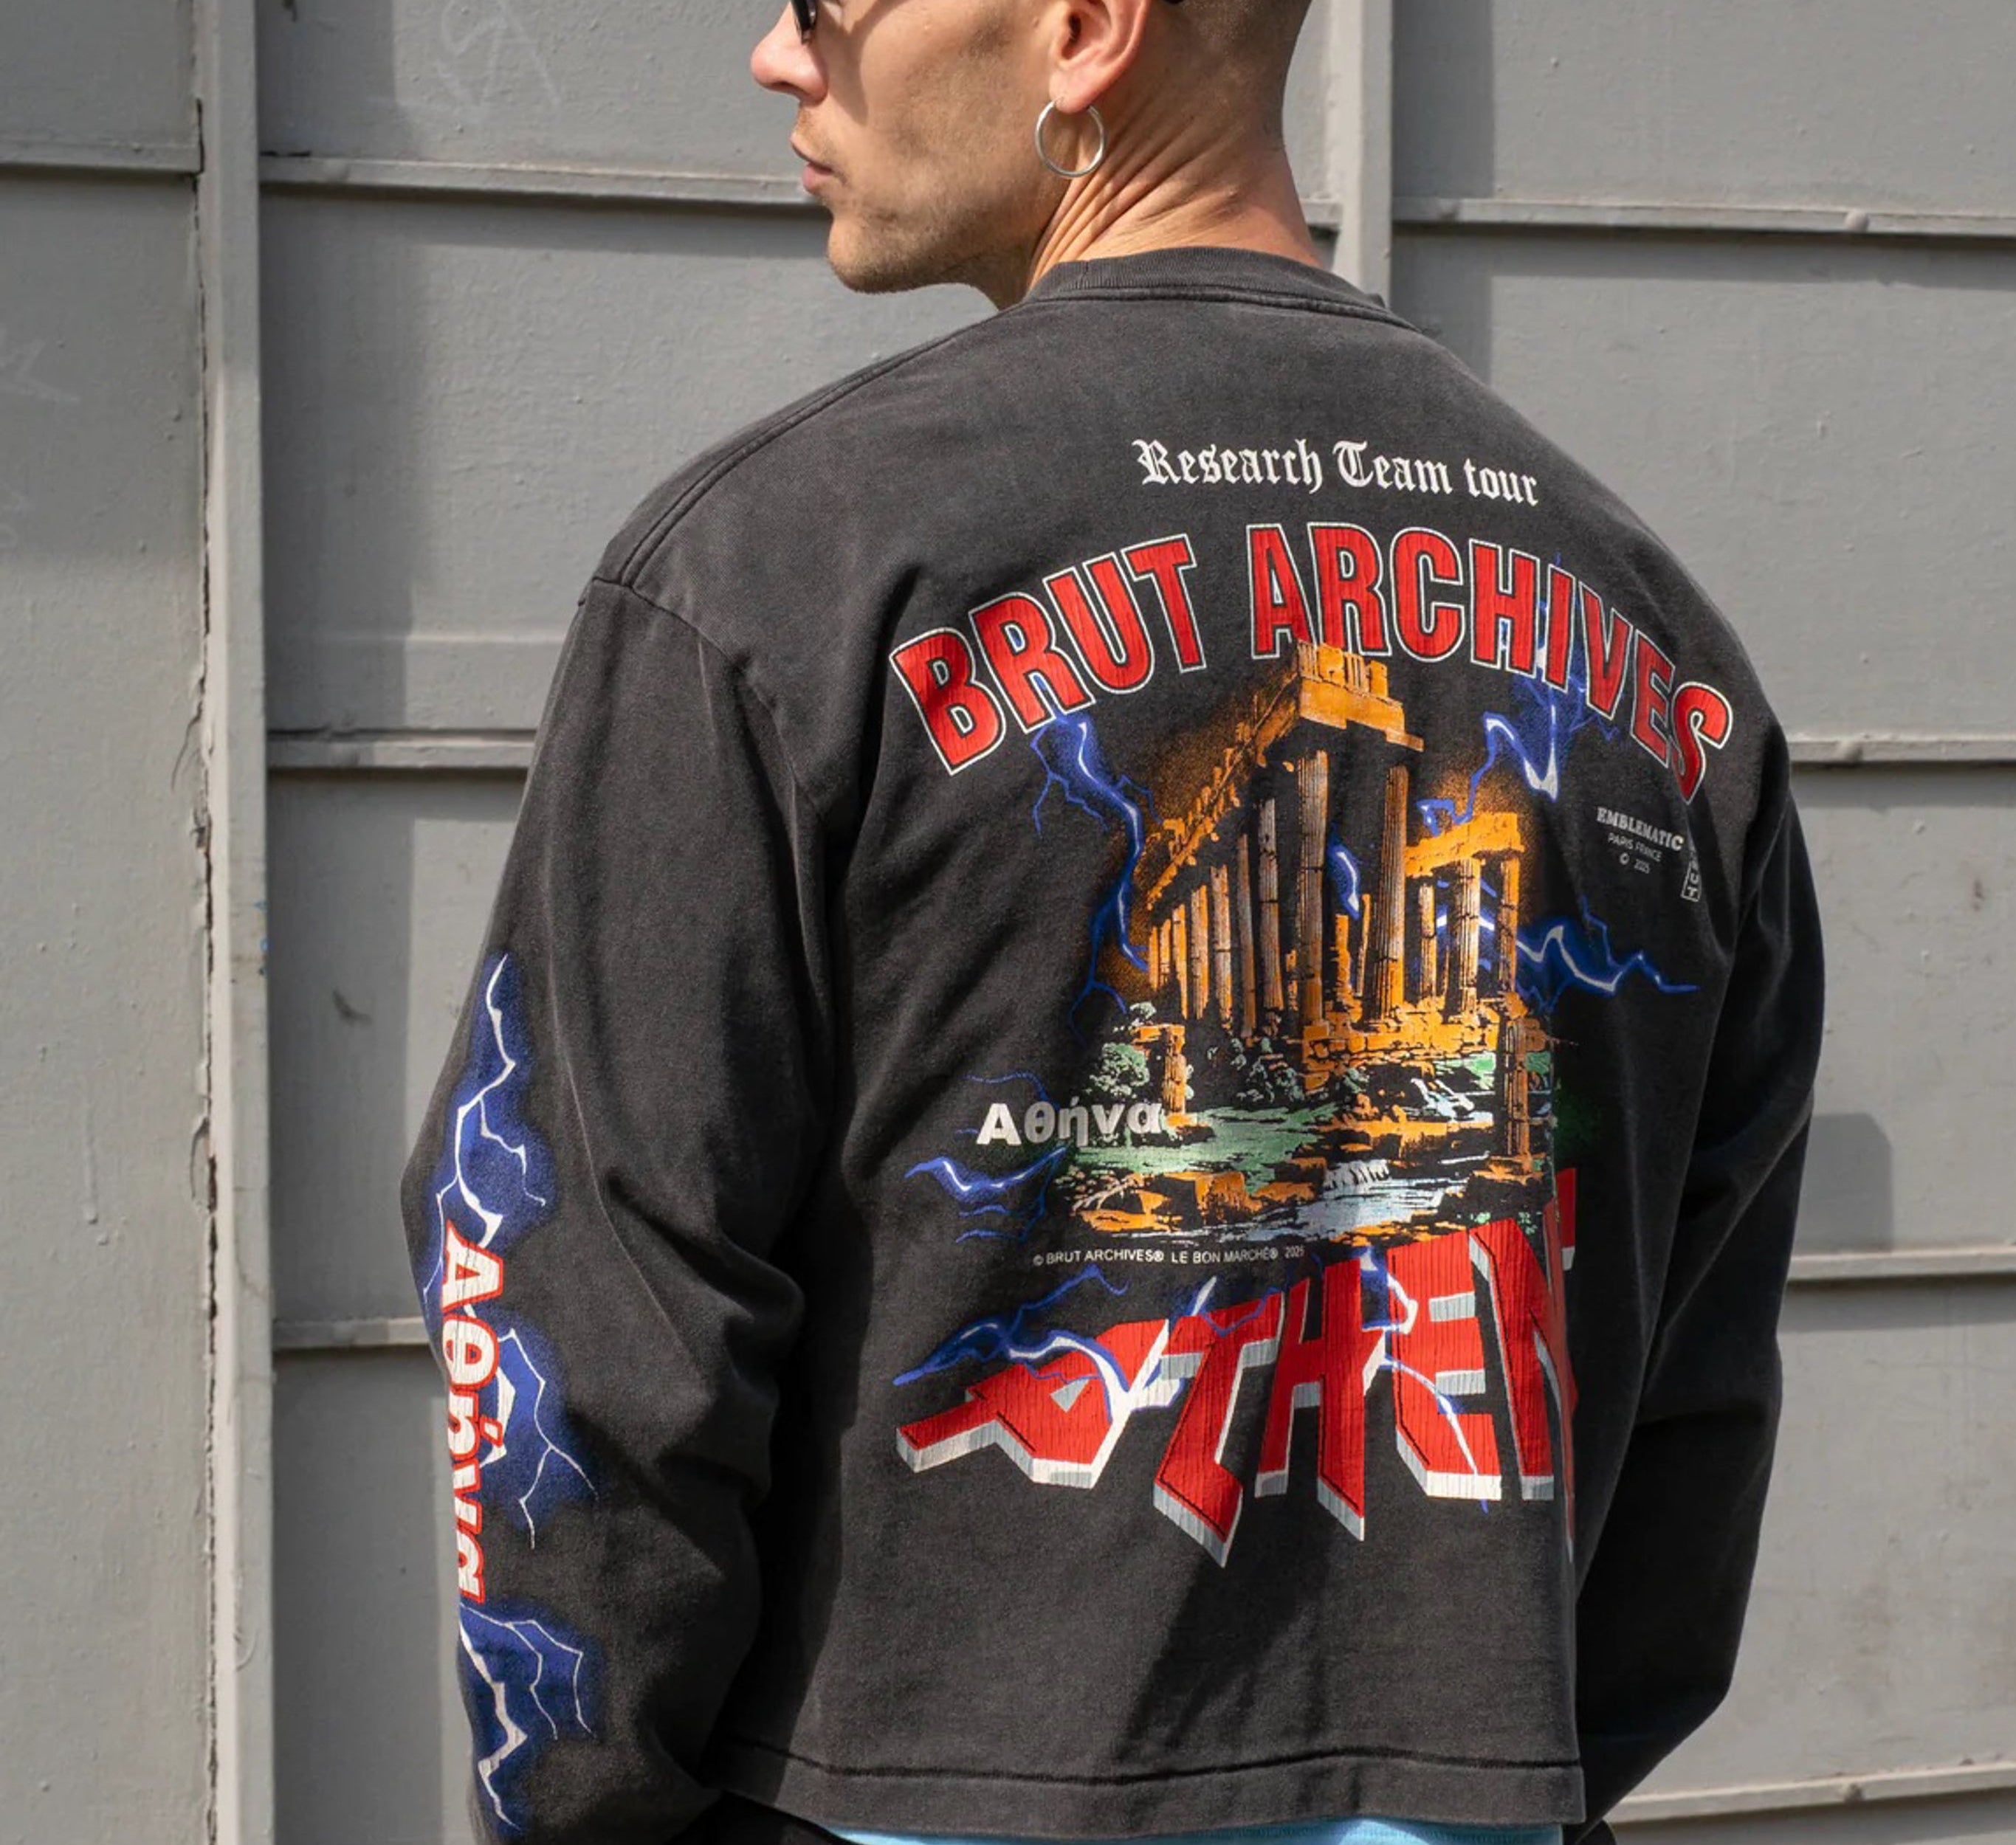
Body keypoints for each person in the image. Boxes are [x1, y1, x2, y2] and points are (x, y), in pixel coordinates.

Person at [399, 1, 1825, 1843]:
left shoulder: (784, 573)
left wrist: (589, 1808)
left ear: (1083, 31)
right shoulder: (1653, 628)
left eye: (831, 1)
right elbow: (1689, 1420)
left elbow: (568, 1320)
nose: (779, 54)